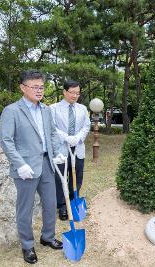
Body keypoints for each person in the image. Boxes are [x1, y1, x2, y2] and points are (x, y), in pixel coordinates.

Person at [0, 70, 65, 264]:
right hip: (25, 168)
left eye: (42, 87)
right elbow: (6, 140)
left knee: (50, 203)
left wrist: (57, 153)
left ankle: (47, 236)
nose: (39, 91)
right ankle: (27, 246)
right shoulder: (11, 111)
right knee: (25, 209)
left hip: (46, 163)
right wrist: (19, 164)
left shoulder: (46, 110)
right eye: (35, 87)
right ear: (22, 87)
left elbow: (52, 134)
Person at [50, 80, 91, 220]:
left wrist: (78, 138)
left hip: (78, 148)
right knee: (60, 178)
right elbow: (52, 127)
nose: (75, 96)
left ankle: (73, 203)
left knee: (76, 177)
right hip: (61, 148)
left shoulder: (82, 109)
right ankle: (62, 206)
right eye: (72, 92)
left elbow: (86, 126)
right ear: (64, 92)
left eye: (77, 93)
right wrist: (67, 138)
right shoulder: (54, 108)